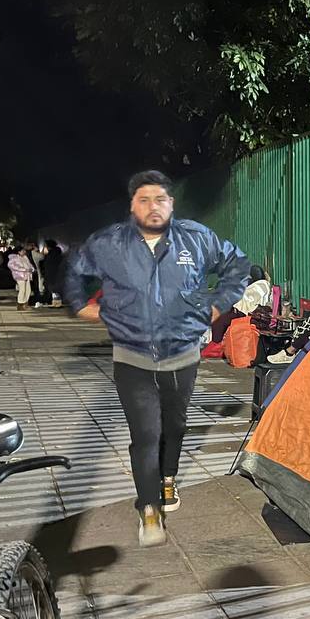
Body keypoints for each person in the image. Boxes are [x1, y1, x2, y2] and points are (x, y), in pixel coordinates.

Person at [64, 169, 250, 546]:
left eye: (160, 199)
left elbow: (238, 266)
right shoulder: (110, 243)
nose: (153, 207)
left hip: (182, 355)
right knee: (145, 433)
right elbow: (73, 272)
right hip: (131, 357)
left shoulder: (197, 239)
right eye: (144, 200)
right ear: (132, 206)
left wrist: (214, 307)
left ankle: (168, 478)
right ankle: (149, 507)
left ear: (171, 204)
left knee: (174, 426)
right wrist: (87, 309)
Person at [40, 240, 65, 307]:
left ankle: (55, 303)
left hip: (51, 274)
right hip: (58, 273)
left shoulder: (50, 255)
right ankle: (58, 302)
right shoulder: (58, 254)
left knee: (53, 288)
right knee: (57, 288)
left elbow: (46, 265)